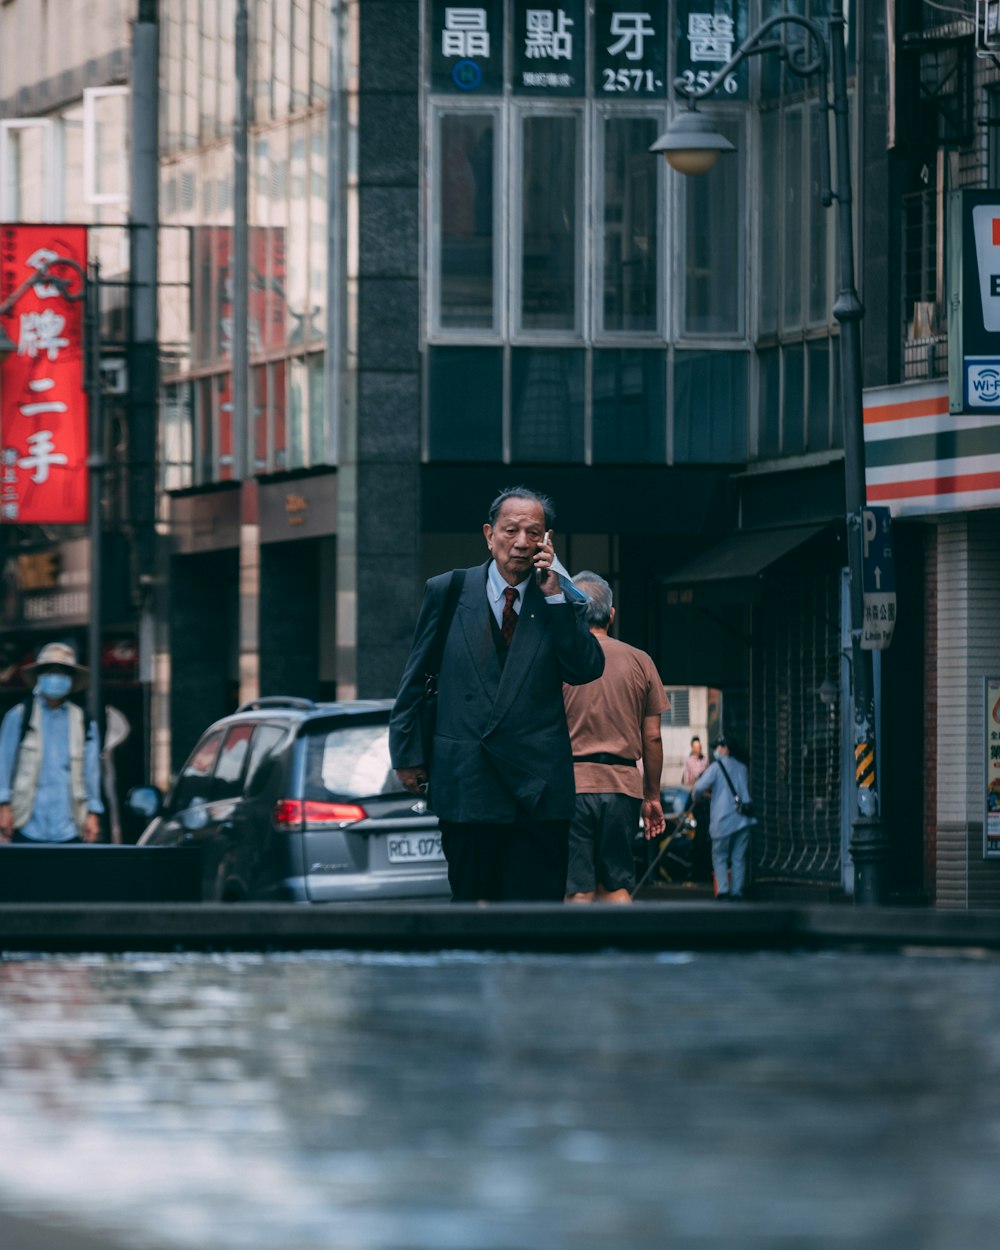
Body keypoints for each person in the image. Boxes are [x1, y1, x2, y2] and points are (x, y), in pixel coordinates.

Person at [389, 486, 605, 902]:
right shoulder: (448, 591)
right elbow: (414, 677)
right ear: (489, 534)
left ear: (547, 541)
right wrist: (407, 754)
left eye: (534, 533)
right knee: (470, 909)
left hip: (537, 788)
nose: (521, 542)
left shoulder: (559, 599)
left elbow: (585, 669)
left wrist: (559, 596)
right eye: (511, 531)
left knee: (533, 921)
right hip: (467, 778)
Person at [561, 573, 667, 903]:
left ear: (572, 610)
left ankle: (575, 955)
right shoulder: (641, 661)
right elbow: (652, 738)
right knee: (617, 885)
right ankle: (620, 953)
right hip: (623, 788)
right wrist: (651, 796)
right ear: (611, 615)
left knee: (577, 887)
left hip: (573, 786)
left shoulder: (560, 660)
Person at [0, 642, 104, 845]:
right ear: (39, 676)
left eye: (62, 672)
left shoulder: (83, 720)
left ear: (71, 679)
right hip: (25, 821)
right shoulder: (19, 716)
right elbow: (3, 764)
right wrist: (3, 807)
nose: (55, 677)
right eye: (49, 671)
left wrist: (93, 813)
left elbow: (91, 771)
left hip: (70, 824)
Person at [689, 736, 756, 901]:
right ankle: (737, 892)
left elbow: (698, 787)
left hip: (723, 819)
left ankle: (724, 891)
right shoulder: (742, 767)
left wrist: (697, 797)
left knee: (719, 856)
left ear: (726, 748)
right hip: (743, 819)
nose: (716, 750)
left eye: (719, 746)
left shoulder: (716, 767)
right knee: (738, 857)